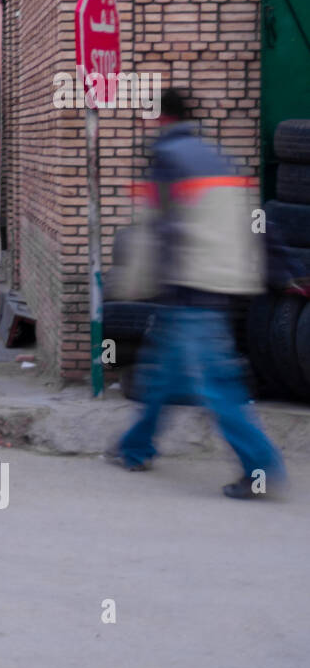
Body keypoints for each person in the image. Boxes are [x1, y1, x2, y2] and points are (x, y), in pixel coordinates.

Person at [109, 89, 286, 499]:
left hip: (190, 288)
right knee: (162, 376)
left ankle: (261, 469)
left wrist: (135, 285)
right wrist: (276, 269)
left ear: (160, 118)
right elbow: (255, 220)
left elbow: (160, 229)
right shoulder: (216, 155)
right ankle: (135, 448)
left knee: (217, 387)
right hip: (216, 285)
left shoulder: (169, 160)